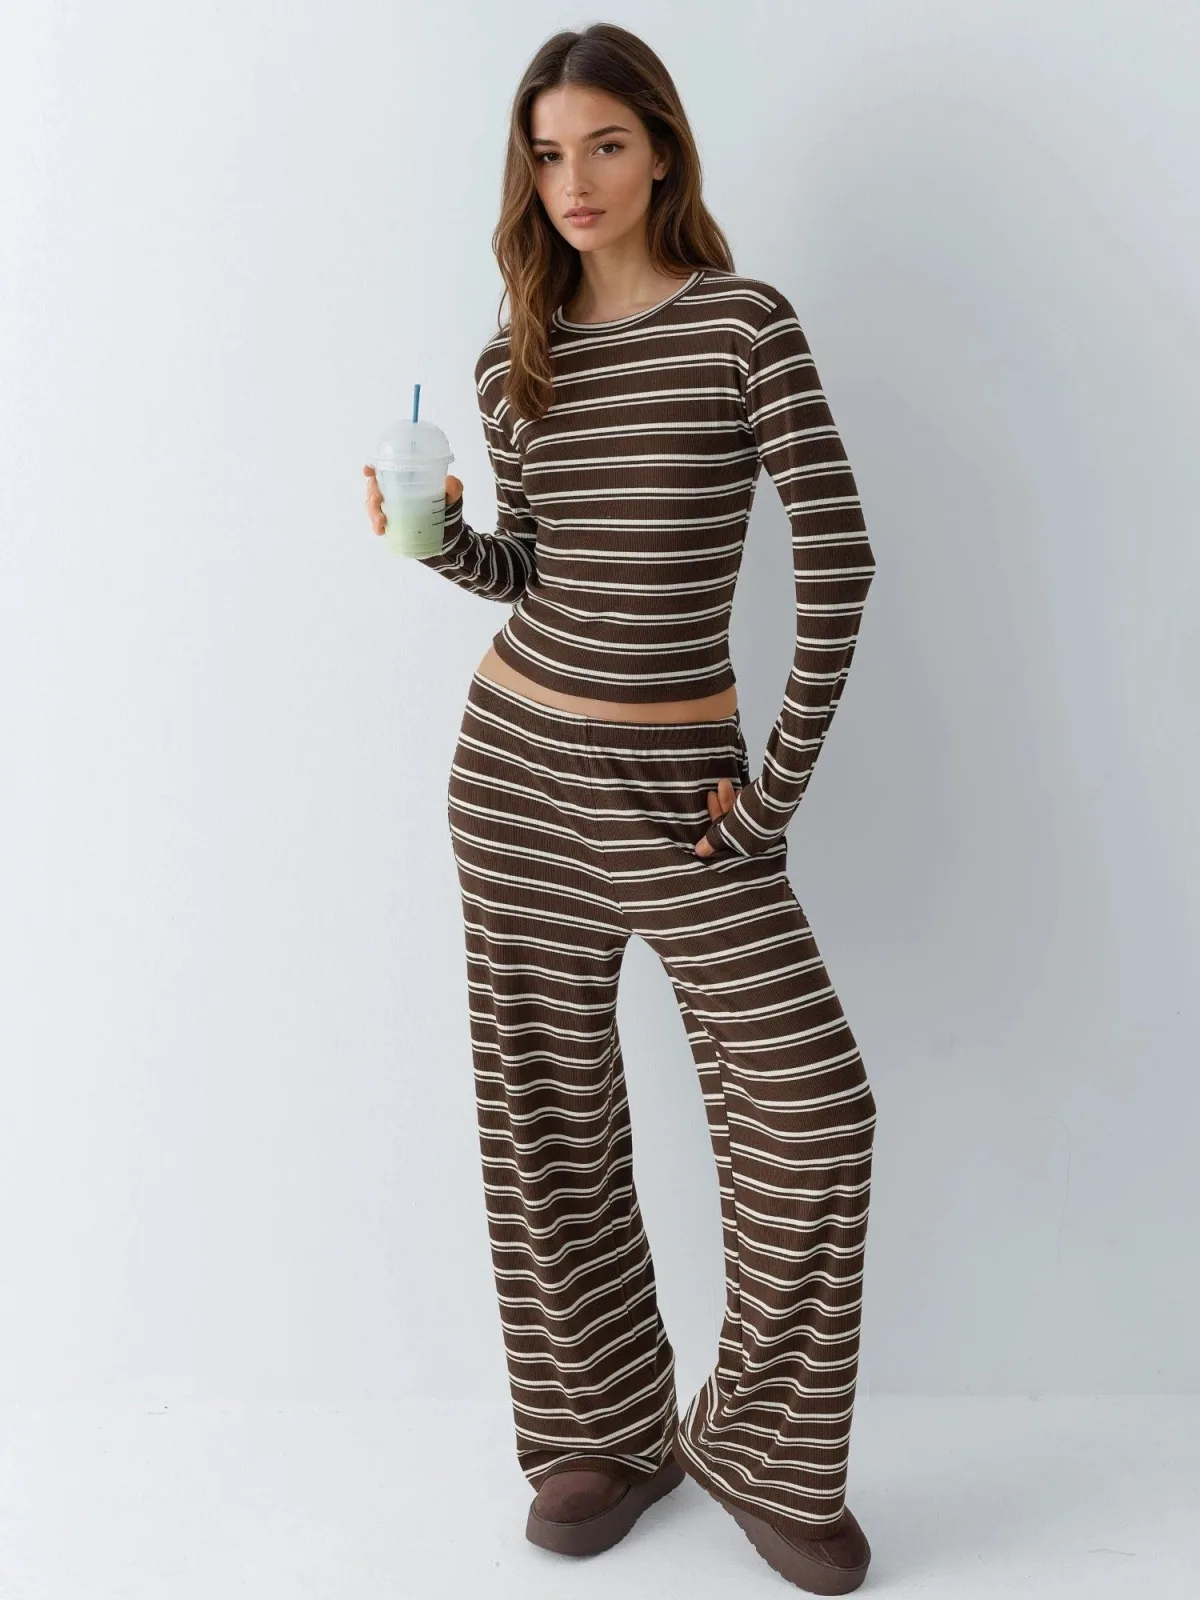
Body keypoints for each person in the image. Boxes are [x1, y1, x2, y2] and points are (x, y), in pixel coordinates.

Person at [363, 23, 877, 1595]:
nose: (572, 181)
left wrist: (771, 796)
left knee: (814, 1110)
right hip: (515, 772)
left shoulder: (743, 326)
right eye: (545, 154)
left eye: (601, 145)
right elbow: (539, 571)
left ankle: (762, 1445)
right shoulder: (516, 355)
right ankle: (601, 1428)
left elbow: (841, 564)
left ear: (660, 150)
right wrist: (433, 542)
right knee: (547, 1110)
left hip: (685, 788)